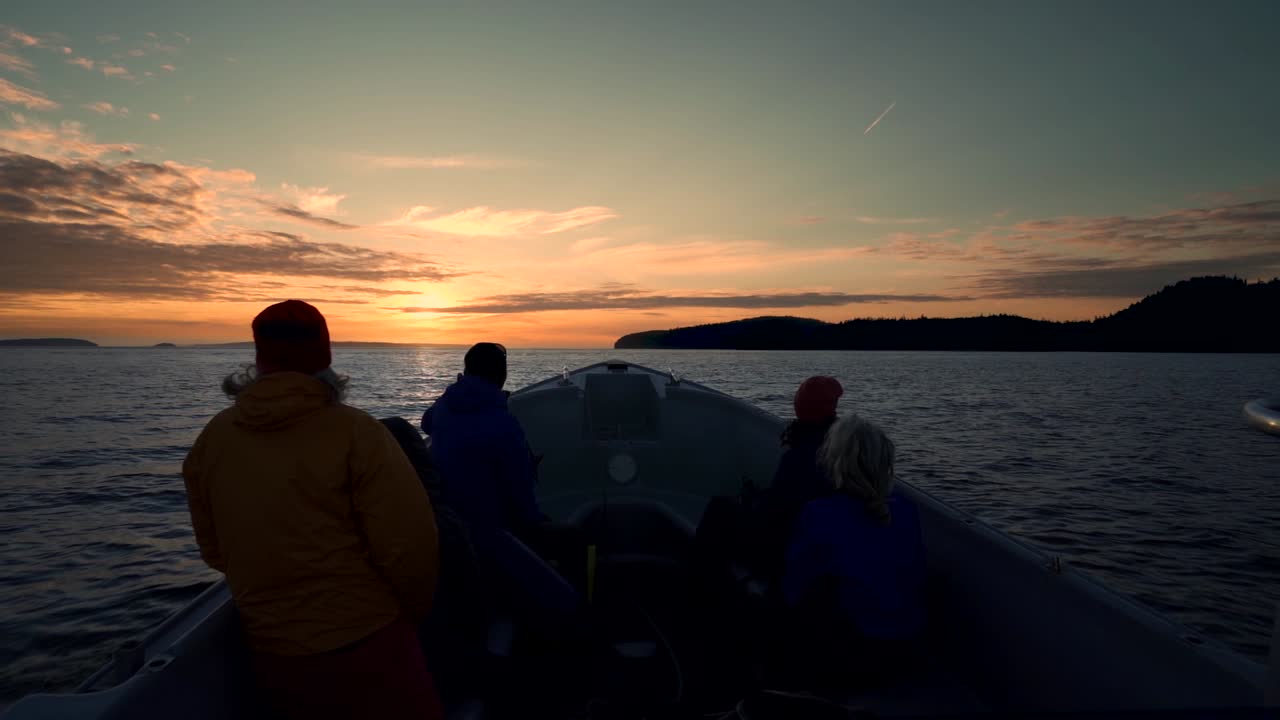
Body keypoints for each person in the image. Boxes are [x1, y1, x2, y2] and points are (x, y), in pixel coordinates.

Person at [182, 300, 443, 720]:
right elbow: (410, 547)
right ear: (325, 357)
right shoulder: (359, 434)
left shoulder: (214, 440)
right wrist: (409, 616)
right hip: (370, 641)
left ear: (259, 357)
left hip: (273, 652)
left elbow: (214, 550)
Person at [422, 342, 587, 602]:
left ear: (466, 372)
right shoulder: (503, 425)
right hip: (490, 534)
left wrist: (455, 391)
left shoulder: (444, 407)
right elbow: (521, 497)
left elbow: (426, 422)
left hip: (448, 524)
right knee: (576, 539)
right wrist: (536, 521)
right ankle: (578, 610)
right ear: (502, 376)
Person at [778, 414, 927, 691]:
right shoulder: (907, 511)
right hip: (906, 649)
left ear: (834, 462)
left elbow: (794, 590)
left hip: (853, 656)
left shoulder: (819, 514)